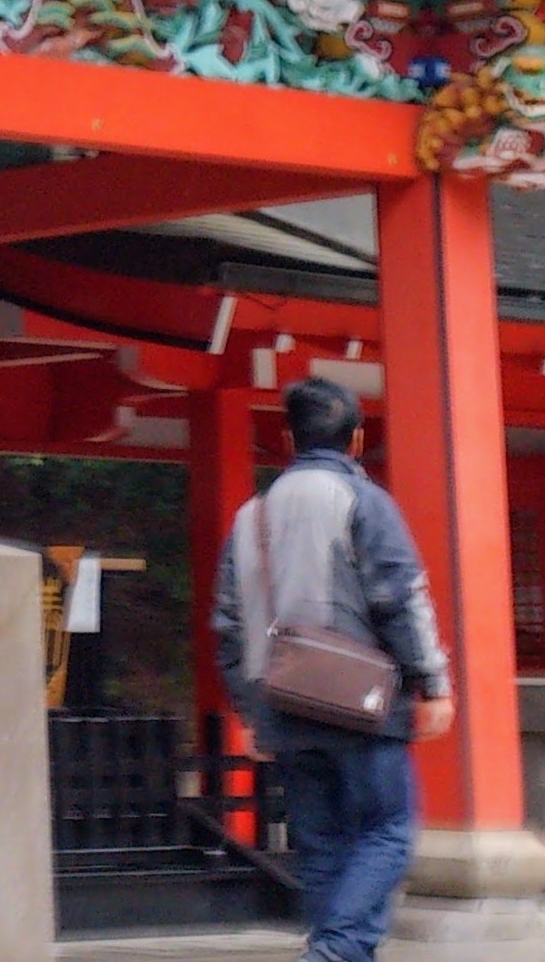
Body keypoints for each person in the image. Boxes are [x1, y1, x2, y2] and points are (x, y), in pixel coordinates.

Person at [211, 376, 454, 962]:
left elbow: (226, 624)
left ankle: (332, 948)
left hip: (281, 704)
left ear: (288, 436)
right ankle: (333, 952)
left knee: (321, 846)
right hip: (359, 703)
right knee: (387, 832)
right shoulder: (365, 502)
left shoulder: (251, 516)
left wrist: (250, 708)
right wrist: (433, 682)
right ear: (357, 439)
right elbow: (400, 598)